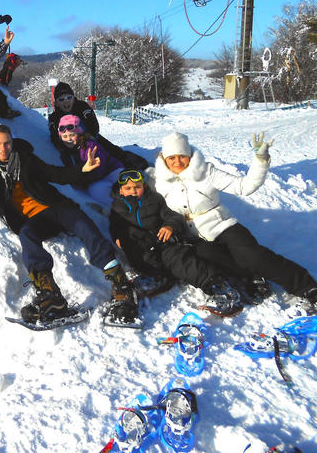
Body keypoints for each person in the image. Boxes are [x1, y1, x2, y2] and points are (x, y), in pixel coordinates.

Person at [0, 124, 139, 326]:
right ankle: (50, 295)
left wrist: (83, 170)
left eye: (7, 143)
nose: (3, 148)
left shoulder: (27, 160)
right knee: (27, 235)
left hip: (56, 207)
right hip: (35, 220)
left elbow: (57, 174)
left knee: (83, 224)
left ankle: (120, 284)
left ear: (12, 142)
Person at [147, 132, 317, 308]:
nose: (177, 162)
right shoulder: (159, 181)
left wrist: (260, 159)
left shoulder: (206, 171)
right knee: (210, 259)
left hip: (223, 225)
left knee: (253, 256)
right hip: (195, 236)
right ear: (164, 159)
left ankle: (307, 286)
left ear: (189, 155)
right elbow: (135, 188)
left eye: (182, 156)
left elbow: (244, 186)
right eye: (172, 158)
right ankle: (252, 278)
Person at [109, 169, 243, 315]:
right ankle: (155, 275)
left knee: (182, 262)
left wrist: (170, 226)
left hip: (163, 242)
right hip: (141, 247)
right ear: (121, 190)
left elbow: (173, 215)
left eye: (137, 187)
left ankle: (218, 287)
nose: (133, 191)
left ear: (144, 186)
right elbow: (115, 226)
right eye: (128, 188)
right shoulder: (117, 207)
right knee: (136, 252)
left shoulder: (155, 199)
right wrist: (117, 237)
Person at [48, 81, 147, 169]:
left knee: (112, 151)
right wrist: (64, 145)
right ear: (56, 103)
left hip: (89, 137)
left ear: (74, 99)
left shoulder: (82, 107)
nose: (66, 101)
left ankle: (133, 163)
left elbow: (93, 125)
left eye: (69, 97)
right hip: (70, 144)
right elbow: (54, 136)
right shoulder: (55, 117)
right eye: (61, 99)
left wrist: (87, 136)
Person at [56, 114, 124, 209]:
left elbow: (100, 168)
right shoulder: (66, 154)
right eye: (65, 136)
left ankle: (137, 197)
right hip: (96, 180)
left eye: (72, 135)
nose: (68, 139)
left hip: (112, 171)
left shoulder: (90, 146)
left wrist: (82, 180)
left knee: (125, 183)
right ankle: (118, 208)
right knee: (96, 191)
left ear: (79, 134)